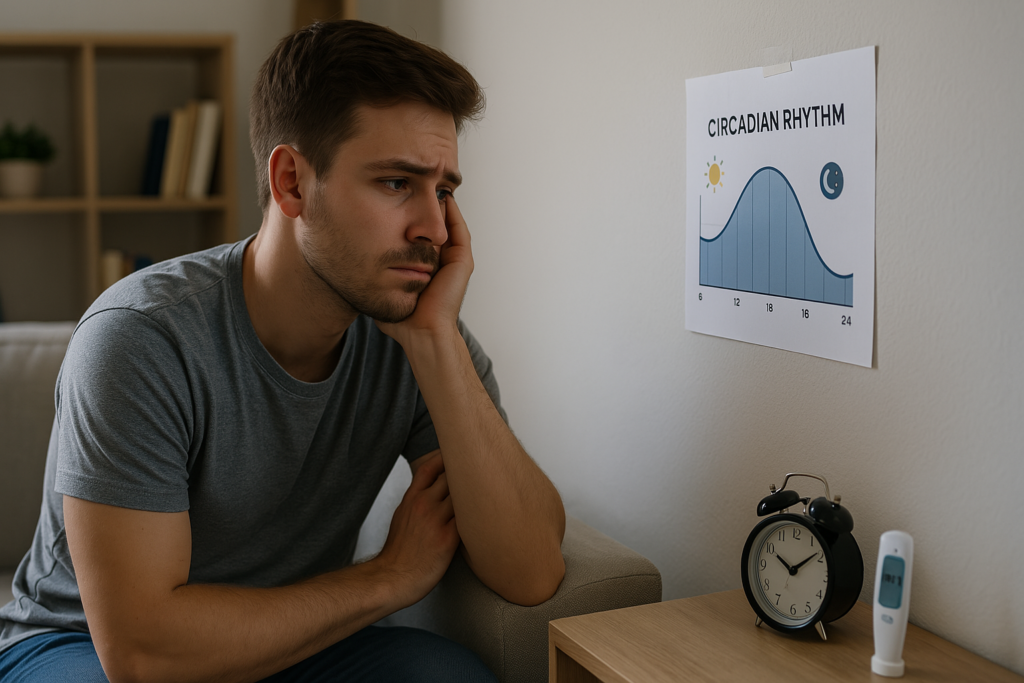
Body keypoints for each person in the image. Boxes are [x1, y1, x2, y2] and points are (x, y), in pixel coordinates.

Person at [0, 20, 566, 683]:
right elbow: (143, 653)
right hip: (80, 647)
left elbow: (531, 573)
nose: (435, 229)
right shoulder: (140, 337)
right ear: (292, 181)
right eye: (395, 183)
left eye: (444, 190)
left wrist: (439, 342)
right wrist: (386, 580)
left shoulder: (414, 332)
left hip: (298, 643)